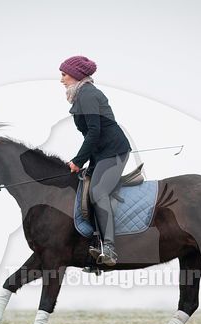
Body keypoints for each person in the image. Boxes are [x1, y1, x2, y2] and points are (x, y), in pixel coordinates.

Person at [60, 55, 131, 266]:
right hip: (101, 154)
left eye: (64, 75)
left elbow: (93, 131)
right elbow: (92, 135)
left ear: (75, 75)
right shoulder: (81, 94)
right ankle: (93, 247)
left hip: (114, 152)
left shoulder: (88, 94)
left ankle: (109, 247)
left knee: (99, 192)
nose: (62, 80)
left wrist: (78, 161)